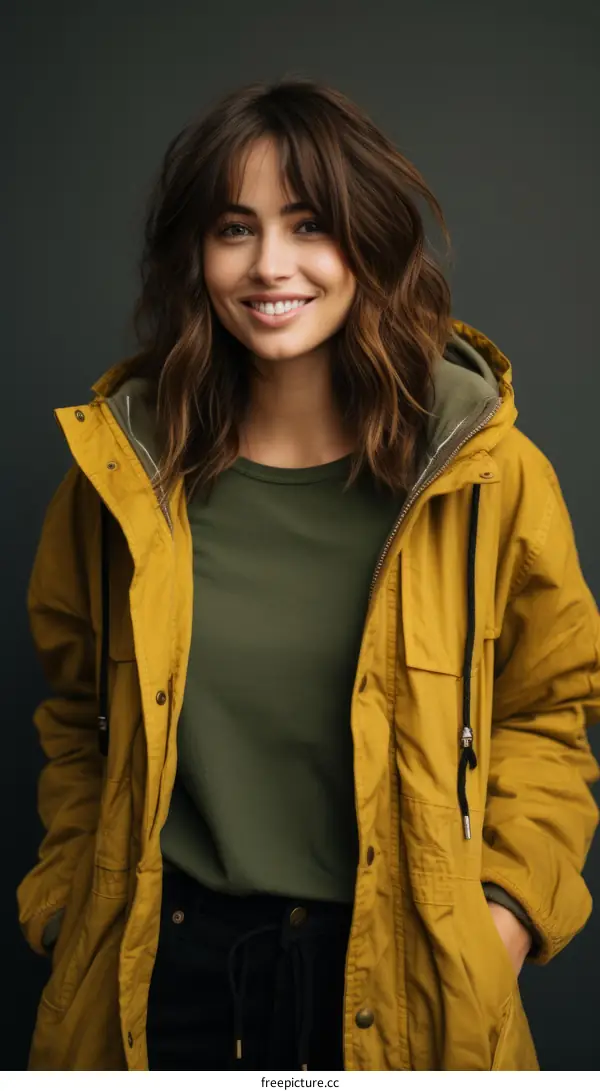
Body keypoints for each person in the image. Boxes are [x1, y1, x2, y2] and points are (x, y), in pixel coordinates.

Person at [17, 78, 600, 1073]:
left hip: (405, 976)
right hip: (165, 973)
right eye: (235, 228)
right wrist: (75, 904)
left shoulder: (486, 473)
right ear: (196, 255)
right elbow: (77, 711)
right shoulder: (120, 475)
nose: (270, 265)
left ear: (368, 242)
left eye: (309, 224)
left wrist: (500, 920)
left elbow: (548, 711)